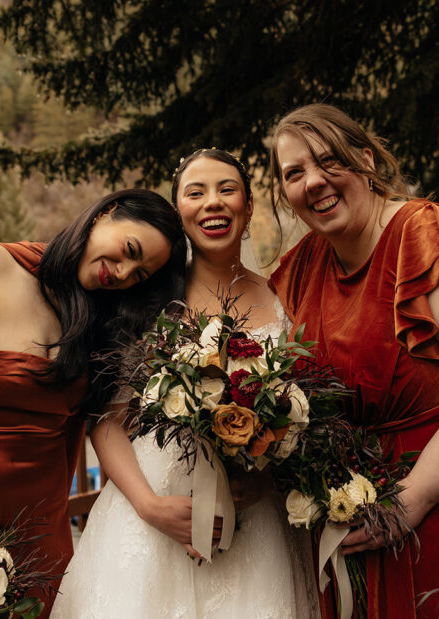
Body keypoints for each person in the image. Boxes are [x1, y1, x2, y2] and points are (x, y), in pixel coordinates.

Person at [266, 104, 439, 618]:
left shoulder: (429, 238)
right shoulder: (302, 265)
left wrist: (411, 499)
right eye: (294, 174)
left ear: (366, 160)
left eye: (329, 161)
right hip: (349, 521)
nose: (314, 183)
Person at [0, 189, 187, 619]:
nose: (124, 273)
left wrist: (151, 503)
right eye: (129, 250)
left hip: (42, 527)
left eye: (139, 274)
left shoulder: (107, 324)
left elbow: (103, 424)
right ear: (104, 213)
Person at [53, 149, 320, 618]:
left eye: (227, 190)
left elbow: (298, 415)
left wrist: (264, 482)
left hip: (255, 523)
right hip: (152, 512)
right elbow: (106, 421)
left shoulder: (283, 296)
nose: (212, 203)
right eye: (196, 193)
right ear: (180, 211)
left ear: (250, 205)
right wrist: (151, 507)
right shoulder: (150, 296)